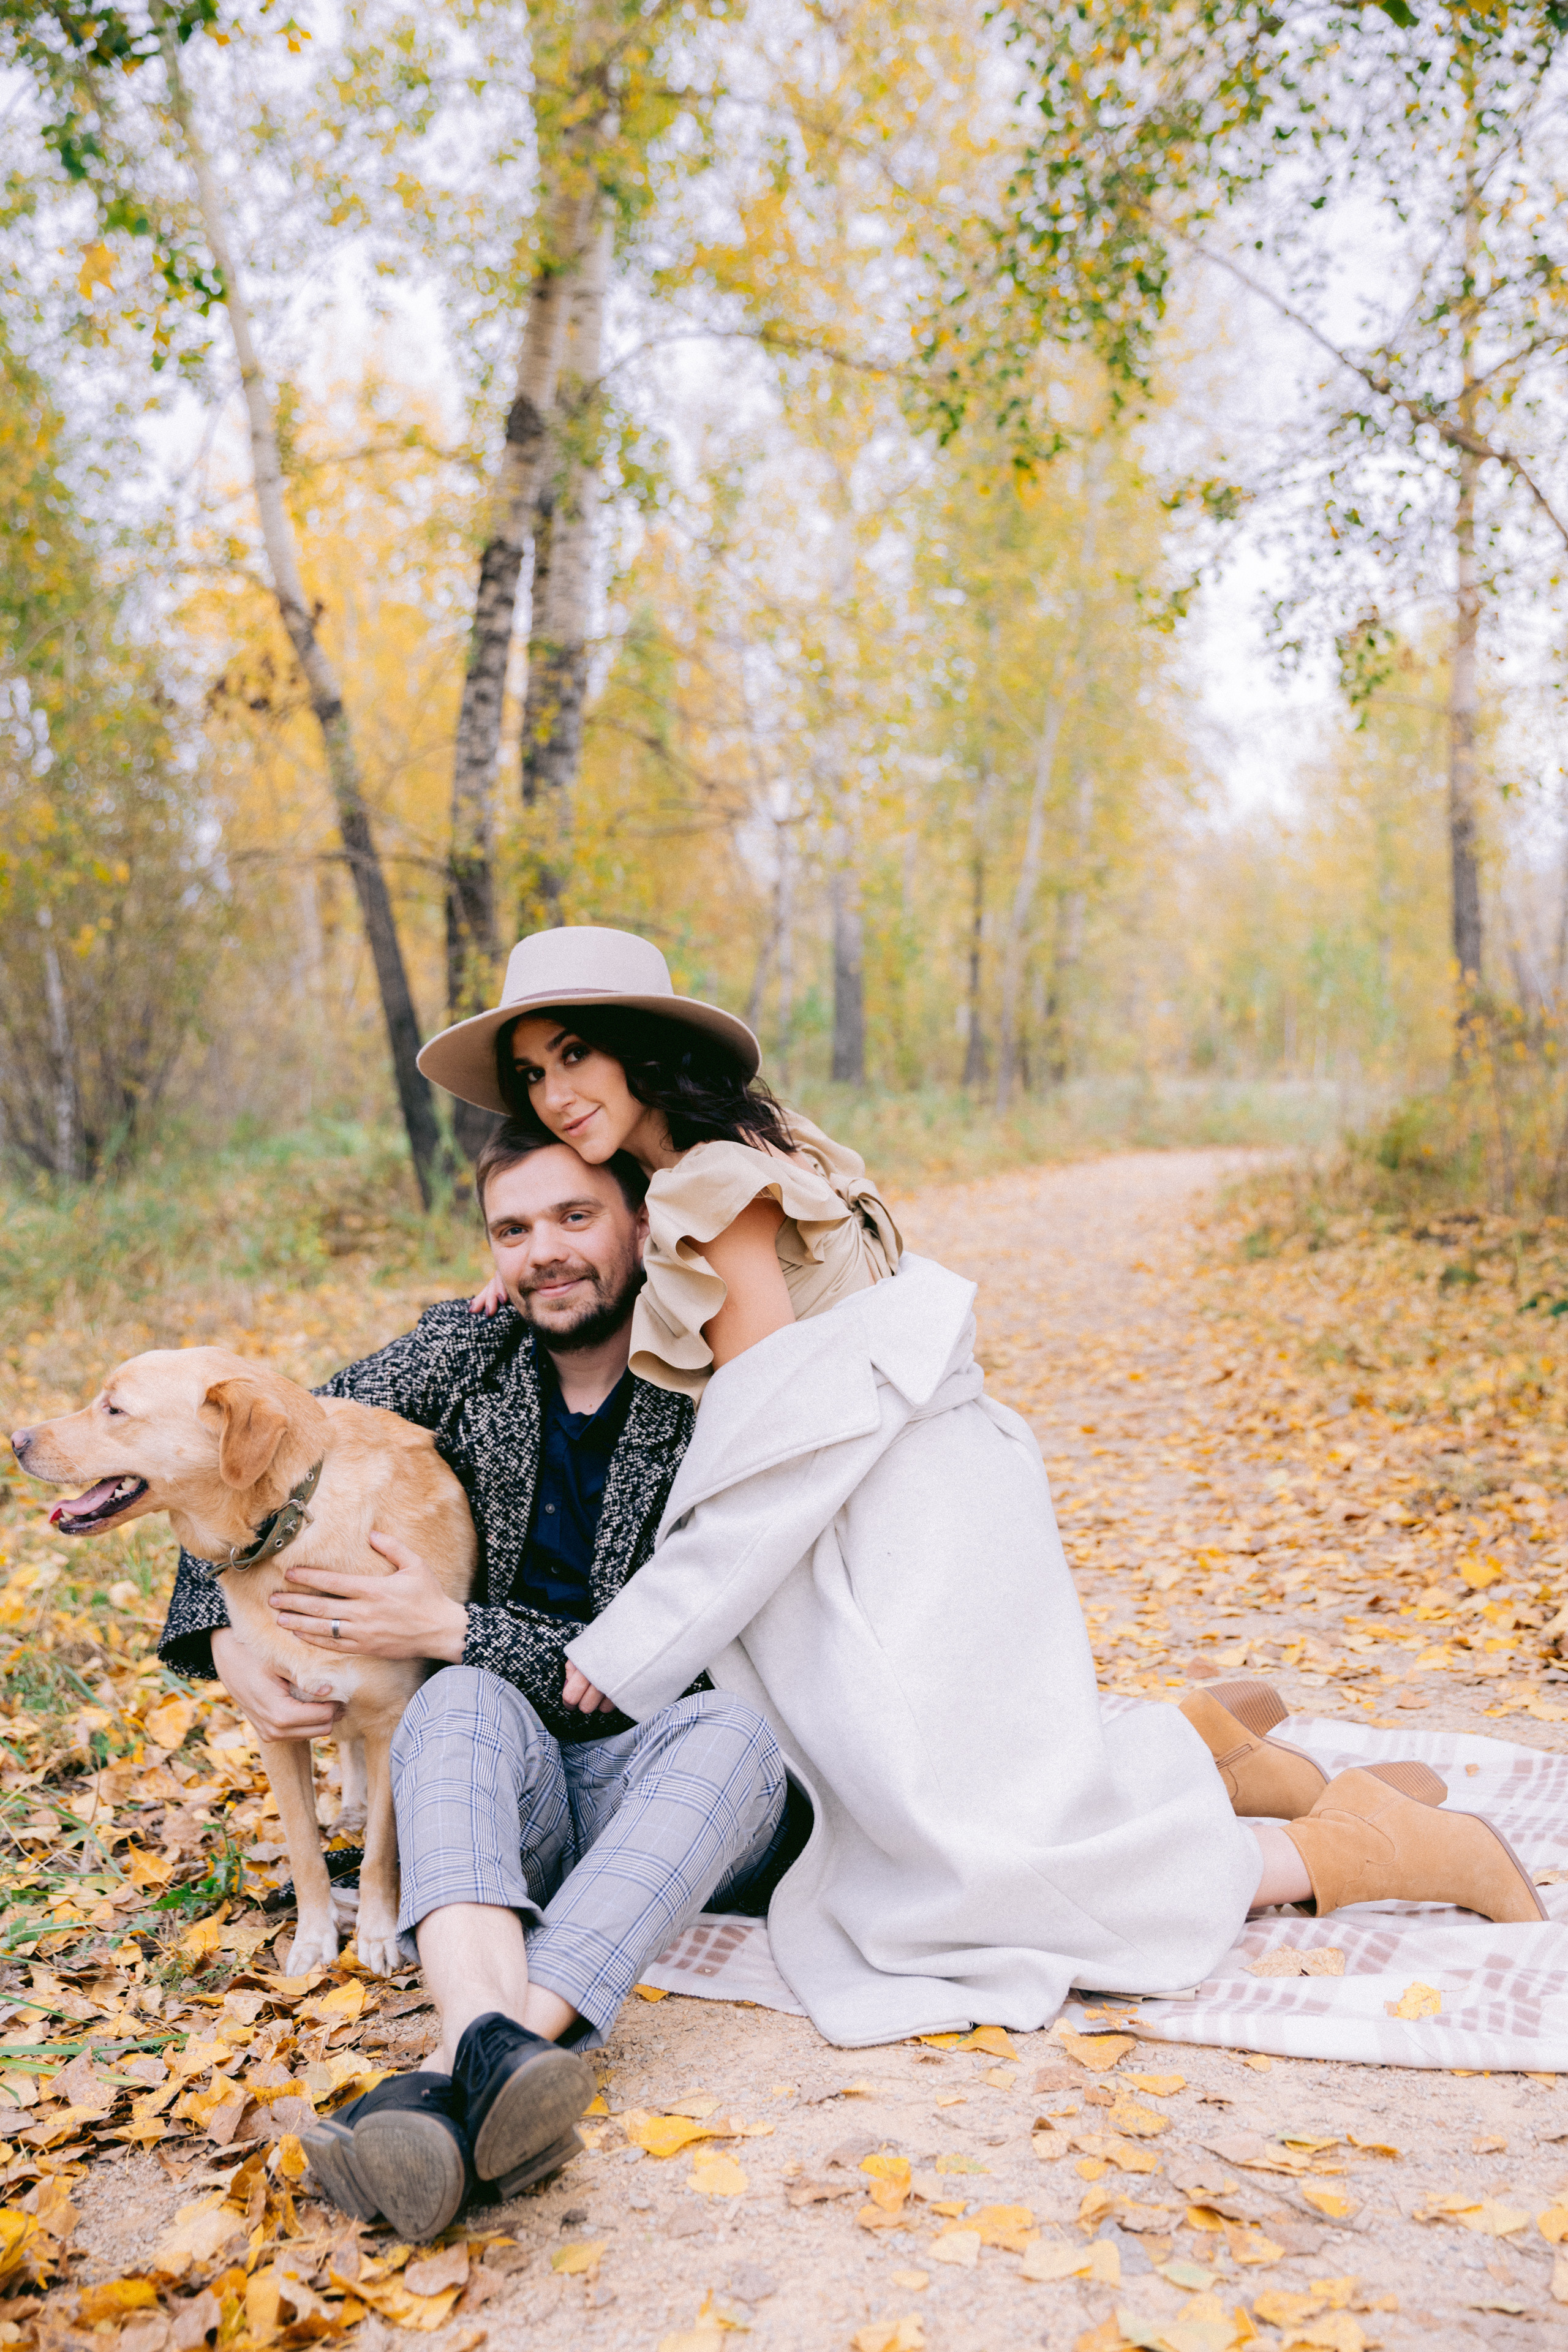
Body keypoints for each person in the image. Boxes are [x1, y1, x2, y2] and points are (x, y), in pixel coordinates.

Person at [415, 924, 1546, 2048]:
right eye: (531, 1075)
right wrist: (526, 1263)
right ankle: (1205, 1752)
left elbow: (778, 1451)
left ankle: (1365, 1847)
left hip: (875, 1517)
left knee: (946, 1869)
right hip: (947, 1491)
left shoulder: (709, 1194)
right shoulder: (758, 1145)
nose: (555, 1094)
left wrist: (633, 1641)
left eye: (574, 1056)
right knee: (986, 1776)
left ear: (637, 1049)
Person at [156, 1127, 796, 2240]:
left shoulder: (719, 1378)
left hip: (667, 1784)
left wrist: (450, 1623)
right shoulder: (465, 1355)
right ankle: (501, 2054)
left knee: (737, 1735)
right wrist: (223, 1639)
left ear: (642, 1225)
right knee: (452, 1699)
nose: (544, 1251)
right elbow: (245, 1443)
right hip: (510, 1785)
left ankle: (464, 2065)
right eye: (514, 1229)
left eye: (574, 1218)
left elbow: (633, 1673)